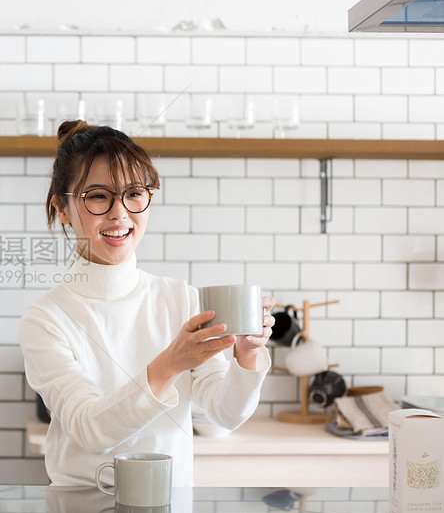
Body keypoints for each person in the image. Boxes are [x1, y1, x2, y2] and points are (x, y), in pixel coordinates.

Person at [18, 120, 275, 487]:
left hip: (168, 510)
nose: (120, 213)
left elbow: (226, 412)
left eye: (134, 193)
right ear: (62, 208)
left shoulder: (180, 298)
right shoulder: (46, 319)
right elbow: (90, 429)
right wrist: (171, 363)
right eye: (97, 196)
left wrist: (246, 356)